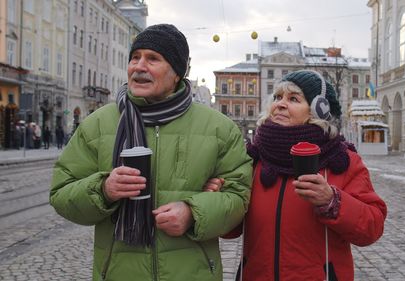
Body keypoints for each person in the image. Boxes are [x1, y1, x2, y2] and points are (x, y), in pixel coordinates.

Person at [49, 23, 252, 281]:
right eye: (135, 57)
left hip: (193, 273)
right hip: (118, 273)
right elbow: (61, 193)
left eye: (153, 58)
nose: (139, 66)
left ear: (177, 72)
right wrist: (104, 189)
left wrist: (193, 213)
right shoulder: (97, 124)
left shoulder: (219, 128)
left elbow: (238, 198)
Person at [206, 70, 387, 281]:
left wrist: (333, 201)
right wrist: (219, 201)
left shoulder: (342, 161)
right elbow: (230, 231)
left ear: (318, 110)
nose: (280, 104)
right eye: (277, 97)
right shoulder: (251, 159)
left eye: (293, 99)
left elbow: (372, 228)